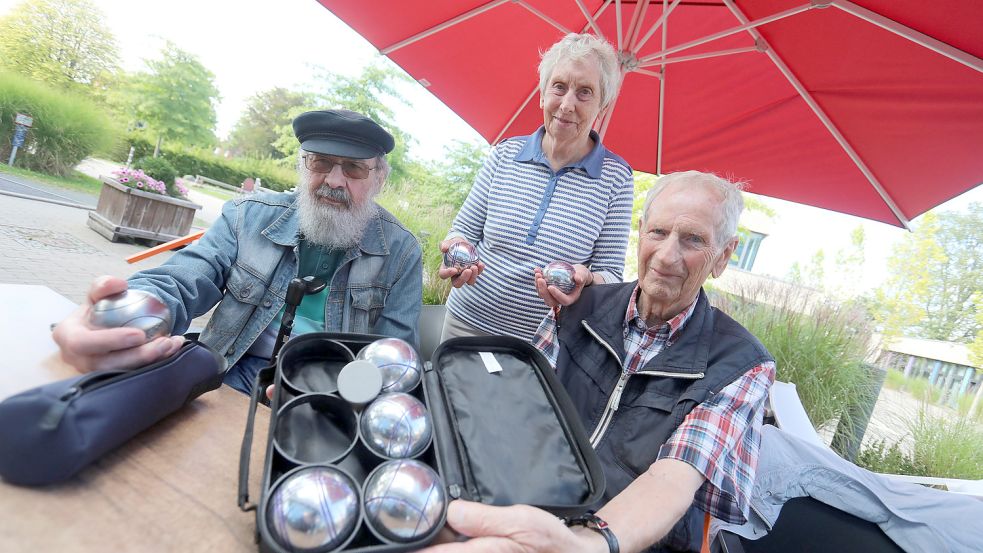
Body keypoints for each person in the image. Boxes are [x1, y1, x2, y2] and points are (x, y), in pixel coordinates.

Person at [425, 171, 777, 553]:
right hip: (530, 507)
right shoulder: (578, 308)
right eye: (658, 232)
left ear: (723, 256)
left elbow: (672, 478)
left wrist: (587, 543)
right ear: (641, 232)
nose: (667, 255)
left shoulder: (742, 364)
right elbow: (515, 410)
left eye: (693, 239)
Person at [53, 110, 423, 395]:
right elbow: (184, 277)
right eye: (320, 162)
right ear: (303, 167)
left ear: (378, 179)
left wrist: (339, 401)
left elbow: (393, 356)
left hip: (330, 388)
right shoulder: (246, 216)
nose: (333, 180)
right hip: (230, 368)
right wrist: (128, 314)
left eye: (354, 168)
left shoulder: (402, 252)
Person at [438, 33, 634, 342]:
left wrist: (587, 280)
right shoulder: (505, 154)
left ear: (602, 104)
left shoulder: (617, 178)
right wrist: (455, 250)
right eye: (559, 87)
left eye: (584, 92)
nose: (567, 104)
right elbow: (463, 229)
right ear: (543, 94)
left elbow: (610, 272)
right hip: (467, 321)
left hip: (544, 341)